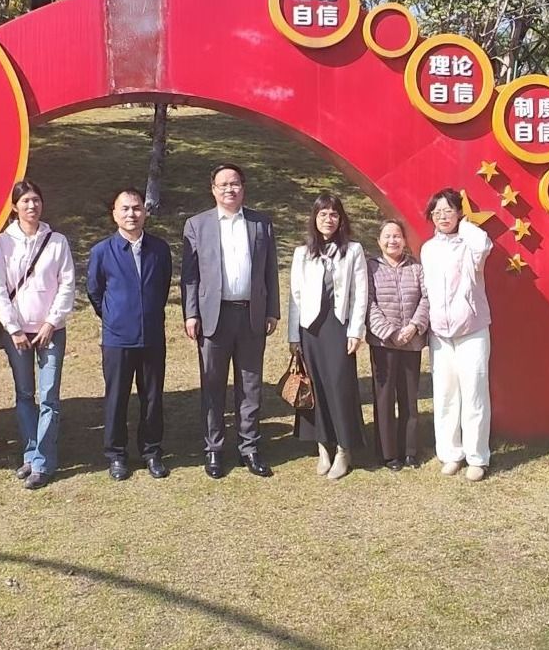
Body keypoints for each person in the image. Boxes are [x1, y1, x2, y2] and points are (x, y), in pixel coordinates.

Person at [181, 163, 281, 479]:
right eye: (223, 184)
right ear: (213, 189)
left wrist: (272, 310)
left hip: (251, 314)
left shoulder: (260, 223)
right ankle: (214, 448)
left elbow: (270, 270)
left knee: (250, 384)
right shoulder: (197, 225)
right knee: (212, 384)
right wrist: (191, 313)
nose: (229, 189)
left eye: (234, 183)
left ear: (243, 187)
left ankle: (249, 447)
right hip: (214, 317)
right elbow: (190, 276)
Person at [0, 179, 75, 490]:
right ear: (14, 207)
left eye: (36, 200)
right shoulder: (3, 243)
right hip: (17, 333)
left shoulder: (57, 241)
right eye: (25, 201)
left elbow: (67, 284)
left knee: (49, 395)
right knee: (25, 394)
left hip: (51, 330)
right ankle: (30, 452)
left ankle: (43, 461)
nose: (31, 206)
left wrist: (52, 322)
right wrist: (13, 328)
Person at [86, 188, 173, 481]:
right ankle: (116, 455)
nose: (131, 214)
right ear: (114, 214)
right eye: (124, 209)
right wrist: (114, 316)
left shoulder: (159, 249)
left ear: (145, 212)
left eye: (136, 208)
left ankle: (152, 451)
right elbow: (95, 291)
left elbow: (162, 287)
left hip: (152, 336)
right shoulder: (101, 252)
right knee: (116, 398)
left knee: (152, 397)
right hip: (117, 339)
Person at [287, 192, 368, 480]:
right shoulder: (302, 253)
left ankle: (344, 449)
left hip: (339, 327)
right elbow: (295, 296)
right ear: (315, 218)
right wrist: (293, 336)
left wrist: (356, 331)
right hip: (311, 329)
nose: (328, 219)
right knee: (316, 387)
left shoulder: (353, 250)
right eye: (323, 214)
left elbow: (360, 294)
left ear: (341, 219)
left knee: (340, 385)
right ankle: (323, 447)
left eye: (334, 214)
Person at [420, 187, 495, 481]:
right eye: (437, 212)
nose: (442, 217)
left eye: (448, 211)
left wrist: (464, 224)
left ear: (459, 213)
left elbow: (484, 244)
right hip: (440, 333)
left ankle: (477, 457)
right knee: (445, 394)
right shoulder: (428, 249)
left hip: (472, 329)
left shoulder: (469, 243)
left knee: (474, 393)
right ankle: (451, 453)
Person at [366, 218, 431, 471]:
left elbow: (426, 299)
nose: (392, 241)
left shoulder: (416, 267)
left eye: (397, 236)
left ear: (404, 240)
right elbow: (368, 303)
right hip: (383, 343)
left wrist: (414, 327)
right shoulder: (371, 267)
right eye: (387, 236)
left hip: (411, 341)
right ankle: (387, 453)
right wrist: (390, 332)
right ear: (378, 241)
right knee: (384, 398)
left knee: (409, 397)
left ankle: (410, 451)